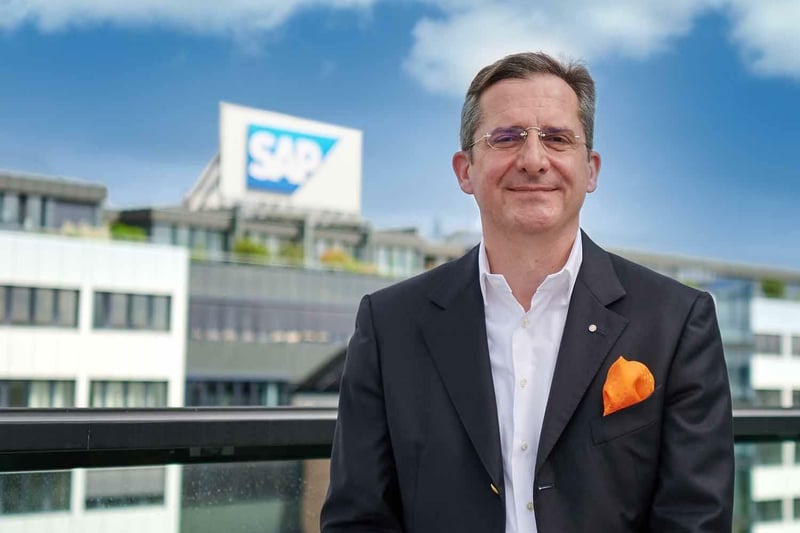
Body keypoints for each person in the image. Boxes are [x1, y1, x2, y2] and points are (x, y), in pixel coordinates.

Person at [320, 51, 734, 533]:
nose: (534, 160)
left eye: (557, 138)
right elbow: (358, 518)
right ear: (465, 170)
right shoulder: (389, 324)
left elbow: (695, 518)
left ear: (591, 170)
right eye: (506, 138)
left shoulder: (676, 321)